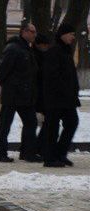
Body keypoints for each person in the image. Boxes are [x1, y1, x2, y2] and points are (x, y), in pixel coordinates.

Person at [0, 22, 41, 163]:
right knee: (5, 125)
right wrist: (11, 86)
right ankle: (0, 153)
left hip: (25, 95)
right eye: (32, 31)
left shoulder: (27, 49)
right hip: (12, 94)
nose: (34, 34)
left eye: (35, 32)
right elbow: (1, 72)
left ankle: (27, 153)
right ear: (24, 32)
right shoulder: (13, 48)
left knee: (31, 122)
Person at [42, 23, 80, 167]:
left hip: (67, 98)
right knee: (53, 127)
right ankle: (50, 158)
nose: (72, 37)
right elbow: (52, 76)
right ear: (63, 34)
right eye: (71, 34)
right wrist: (63, 90)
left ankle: (60, 153)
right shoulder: (54, 51)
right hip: (56, 97)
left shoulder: (66, 50)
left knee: (72, 122)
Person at [33, 33, 51, 157]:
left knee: (46, 122)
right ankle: (38, 148)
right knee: (40, 122)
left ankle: (39, 147)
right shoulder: (35, 56)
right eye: (44, 45)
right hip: (38, 94)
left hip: (44, 94)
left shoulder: (44, 55)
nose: (46, 47)